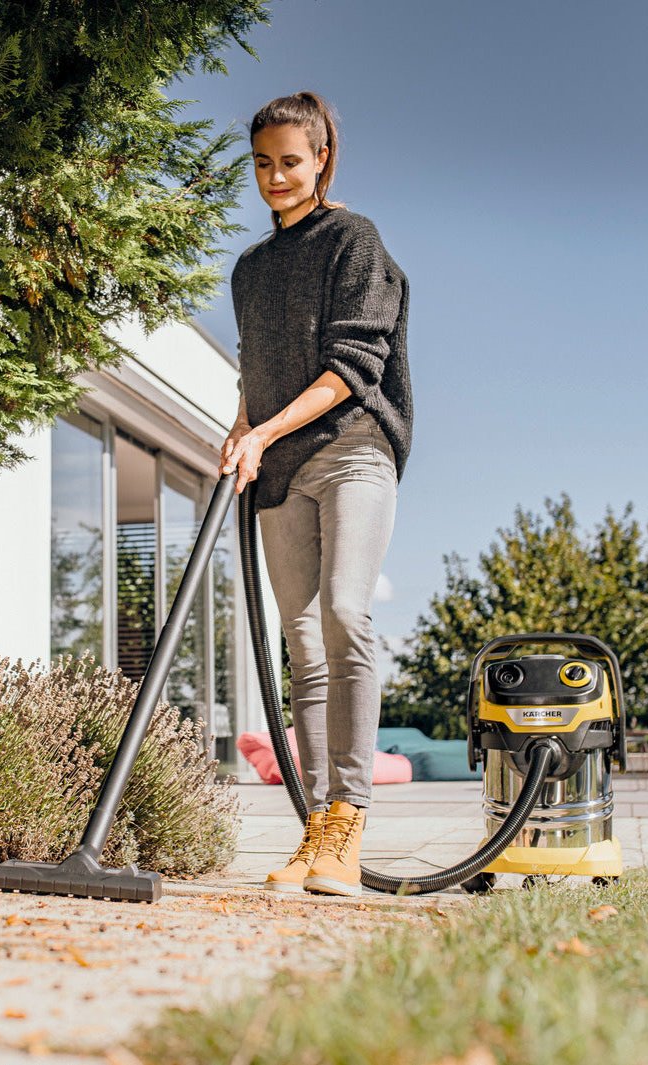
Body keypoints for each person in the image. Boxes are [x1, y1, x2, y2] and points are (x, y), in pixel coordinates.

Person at [219, 91, 413, 896]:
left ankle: (348, 815)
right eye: (262, 163)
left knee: (343, 612)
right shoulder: (251, 269)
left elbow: (352, 368)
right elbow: (259, 372)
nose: (275, 177)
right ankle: (314, 835)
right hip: (280, 468)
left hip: (353, 449)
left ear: (323, 156)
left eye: (290, 161)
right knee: (299, 639)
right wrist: (241, 427)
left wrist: (266, 431)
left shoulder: (353, 241)